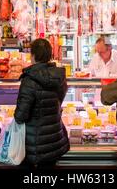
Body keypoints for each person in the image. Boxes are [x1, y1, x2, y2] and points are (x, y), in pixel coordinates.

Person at [14, 38, 70, 168]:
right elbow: (58, 102)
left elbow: (20, 116)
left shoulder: (29, 79)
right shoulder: (59, 76)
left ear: (32, 55)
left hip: (34, 143)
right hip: (54, 139)